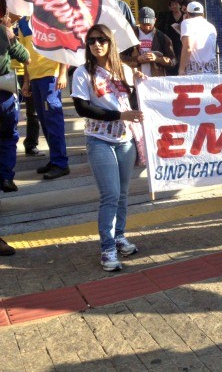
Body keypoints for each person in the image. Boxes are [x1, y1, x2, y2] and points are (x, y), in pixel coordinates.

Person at [71, 24, 144, 271]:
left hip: (125, 140)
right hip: (99, 140)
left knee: (123, 193)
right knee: (110, 195)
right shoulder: (82, 73)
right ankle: (107, 248)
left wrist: (142, 83)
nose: (96, 44)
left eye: (102, 39)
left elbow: (135, 101)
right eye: (91, 40)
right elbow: (82, 108)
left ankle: (119, 235)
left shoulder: (124, 70)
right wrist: (120, 115)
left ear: (111, 42)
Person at [19, 16, 70, 180]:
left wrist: (62, 74)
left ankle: (61, 163)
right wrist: (26, 80)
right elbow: (24, 55)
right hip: (34, 78)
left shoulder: (49, 16)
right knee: (44, 120)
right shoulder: (22, 23)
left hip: (51, 77)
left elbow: (63, 46)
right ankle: (55, 159)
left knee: (53, 120)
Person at [0, 19, 29, 194]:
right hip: (4, 92)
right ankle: (6, 177)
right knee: (8, 136)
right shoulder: (4, 31)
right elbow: (26, 57)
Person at [122, 7, 176, 77]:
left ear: (155, 20)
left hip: (156, 80)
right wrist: (137, 59)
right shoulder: (130, 35)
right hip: (135, 79)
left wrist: (157, 59)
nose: (146, 27)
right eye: (144, 24)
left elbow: (173, 62)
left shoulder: (162, 37)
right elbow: (119, 58)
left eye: (149, 25)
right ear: (138, 21)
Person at [178, 1, 217, 75]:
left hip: (194, 72)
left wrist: (181, 70)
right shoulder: (211, 26)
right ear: (203, 14)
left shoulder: (186, 23)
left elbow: (188, 47)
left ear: (187, 14)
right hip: (211, 71)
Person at [155, 0, 184, 75]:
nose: (174, 6)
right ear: (170, 6)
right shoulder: (166, 16)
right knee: (171, 66)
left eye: (176, 4)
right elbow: (160, 30)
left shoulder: (185, 17)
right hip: (169, 45)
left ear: (180, 5)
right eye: (172, 4)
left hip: (182, 45)